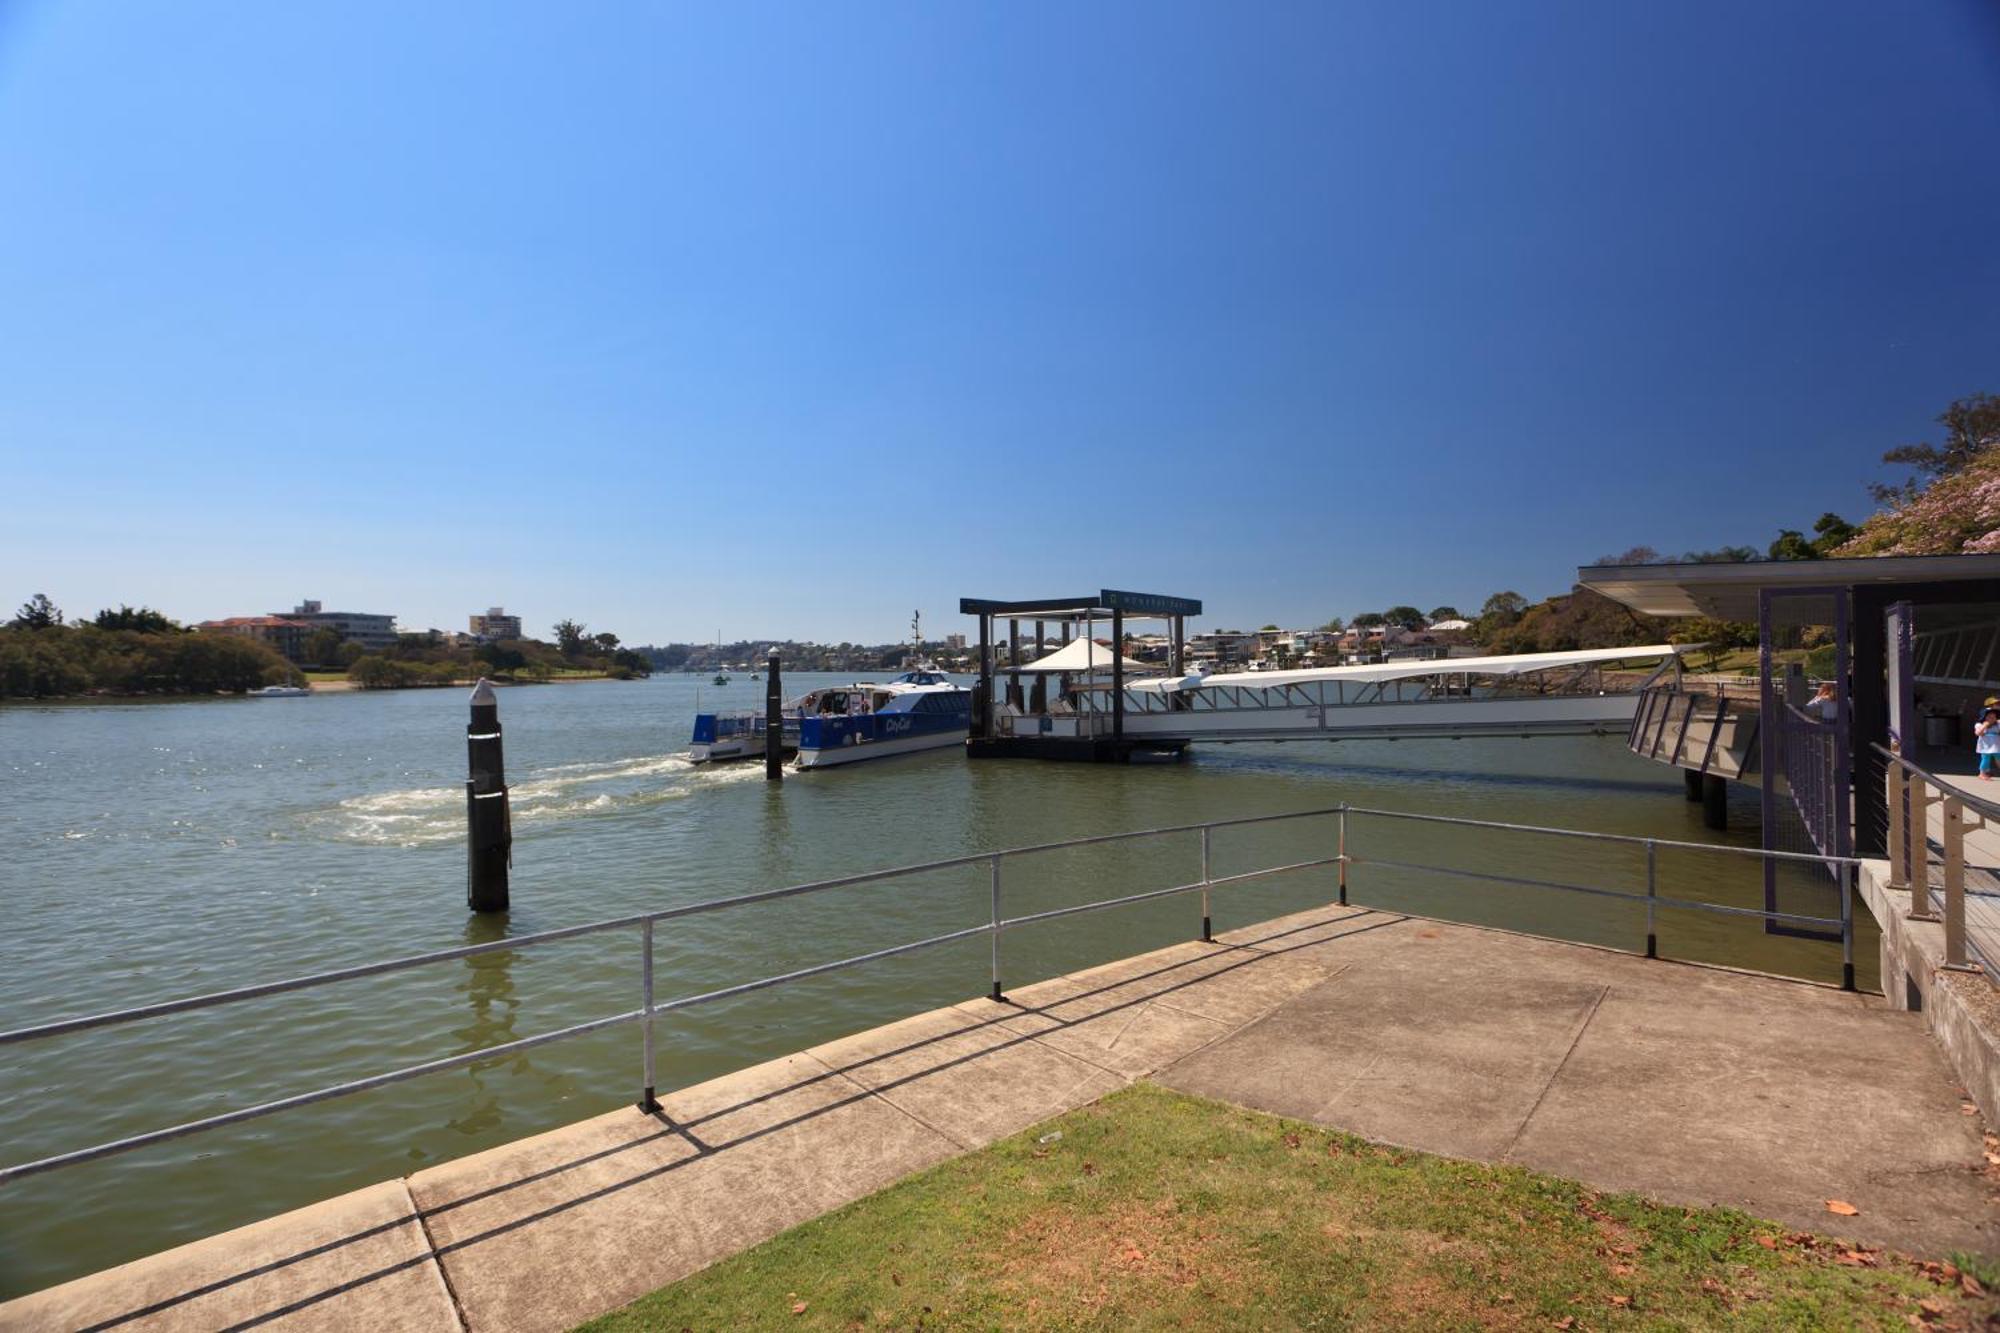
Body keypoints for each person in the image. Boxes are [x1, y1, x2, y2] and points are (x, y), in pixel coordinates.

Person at [1977, 706, 2000, 780]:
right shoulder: (1979, 725)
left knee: (1999, 758)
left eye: (1994, 717)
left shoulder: (1997, 725)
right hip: (1985, 746)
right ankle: (1982, 773)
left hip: (1996, 745)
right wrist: (1984, 726)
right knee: (1986, 759)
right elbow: (1978, 733)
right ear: (1984, 717)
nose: (1992, 718)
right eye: (1989, 717)